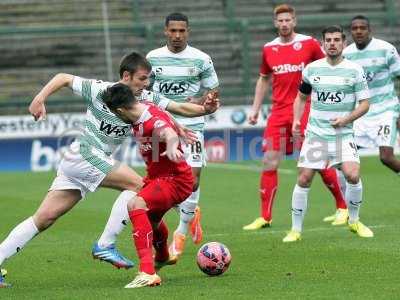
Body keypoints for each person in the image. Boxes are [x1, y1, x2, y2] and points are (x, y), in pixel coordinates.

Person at [0, 52, 218, 288]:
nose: (147, 84)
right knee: (139, 188)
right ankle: (107, 244)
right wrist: (39, 98)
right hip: (85, 155)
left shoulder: (144, 97)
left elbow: (178, 108)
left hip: (85, 161)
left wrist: (205, 110)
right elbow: (62, 77)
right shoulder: (100, 90)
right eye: (143, 78)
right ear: (127, 76)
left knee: (43, 219)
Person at [96, 12, 219, 262]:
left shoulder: (201, 59)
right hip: (158, 125)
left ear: (188, 31)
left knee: (192, 181)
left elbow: (212, 88)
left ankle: (182, 230)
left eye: (181, 31)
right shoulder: (152, 58)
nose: (177, 35)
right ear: (165, 31)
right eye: (172, 30)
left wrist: (205, 102)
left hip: (191, 122)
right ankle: (185, 213)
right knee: (160, 179)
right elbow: (146, 94)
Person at [243, 4, 348, 231]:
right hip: (279, 112)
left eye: (287, 20)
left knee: (315, 160)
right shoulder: (268, 49)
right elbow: (263, 79)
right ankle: (265, 217)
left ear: (294, 21)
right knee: (269, 161)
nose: (284, 24)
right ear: (275, 23)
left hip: (307, 108)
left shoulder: (309, 44)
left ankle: (343, 207)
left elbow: (328, 66)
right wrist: (254, 109)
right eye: (280, 21)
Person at [282, 25, 374, 242]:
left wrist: (346, 119)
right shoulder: (312, 69)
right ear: (323, 44)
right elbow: (301, 97)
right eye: (328, 40)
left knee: (352, 175)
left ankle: (354, 221)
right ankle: (295, 230)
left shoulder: (354, 70)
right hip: (316, 136)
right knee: (304, 178)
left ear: (343, 43)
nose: (332, 44)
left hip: (343, 135)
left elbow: (365, 104)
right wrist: (296, 119)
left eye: (336, 40)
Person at [102, 83, 194, 288]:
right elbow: (166, 121)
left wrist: (172, 144)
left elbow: (165, 132)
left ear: (120, 110)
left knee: (135, 204)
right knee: (151, 221)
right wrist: (179, 127)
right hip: (158, 178)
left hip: (174, 179)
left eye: (115, 114)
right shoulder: (143, 108)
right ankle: (163, 256)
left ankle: (147, 272)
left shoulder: (152, 122)